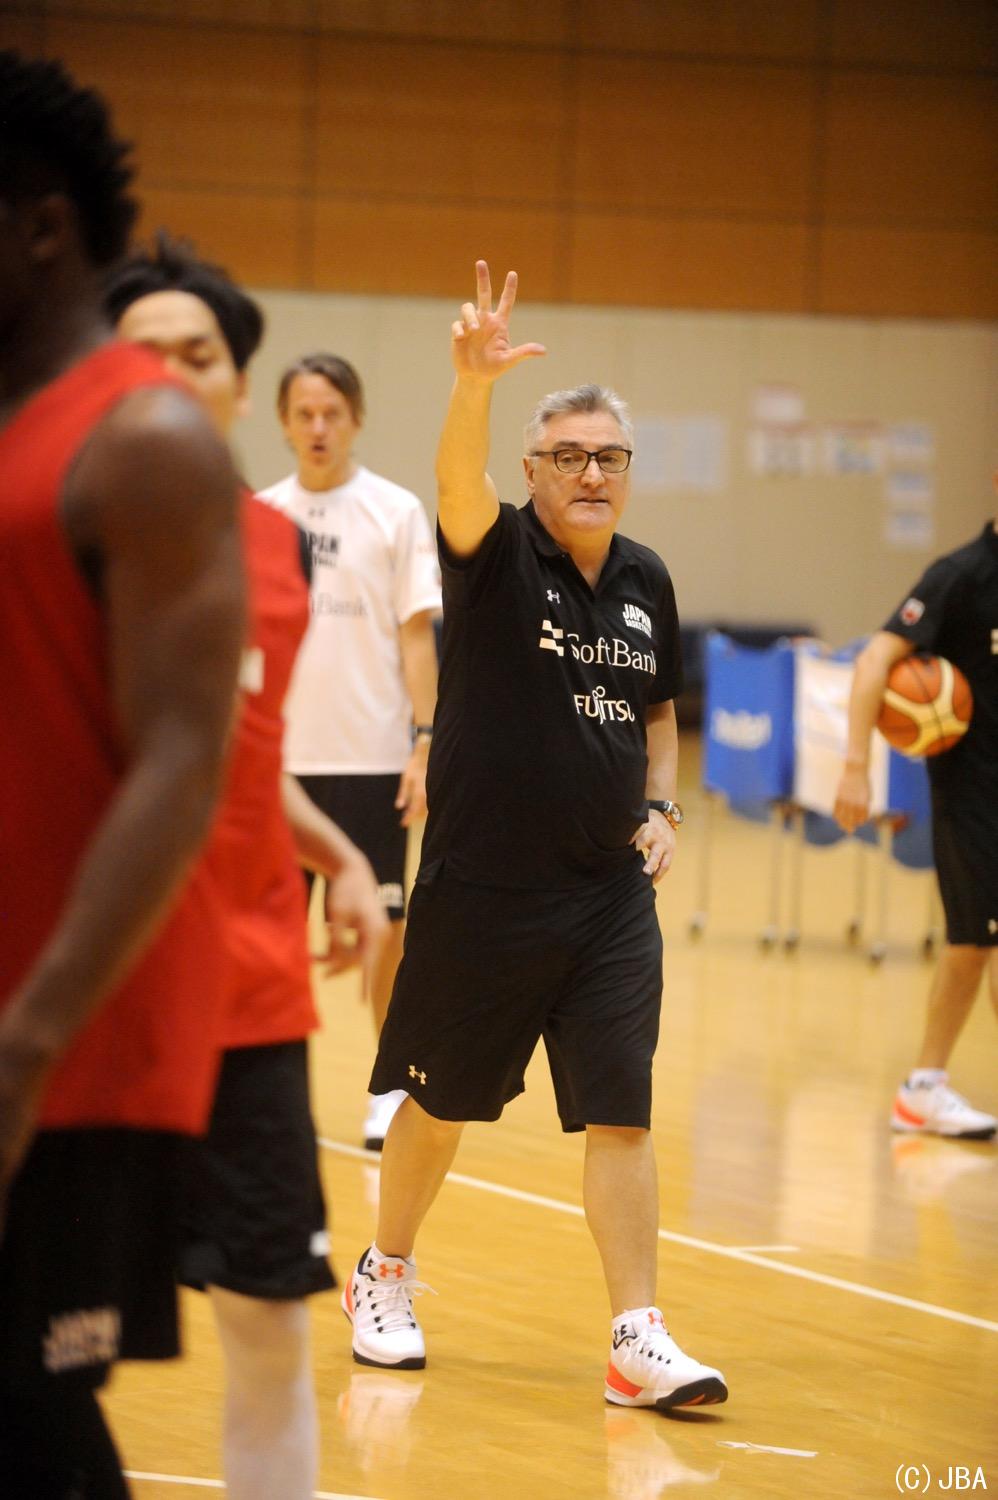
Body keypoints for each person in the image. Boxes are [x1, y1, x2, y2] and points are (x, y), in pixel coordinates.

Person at [341, 261, 728, 1414]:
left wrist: (661, 807)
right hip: (484, 890)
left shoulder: (647, 579)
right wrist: (474, 383)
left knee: (621, 1110)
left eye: (608, 456)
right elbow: (452, 480)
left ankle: (634, 1336)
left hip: (606, 895)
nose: (591, 473)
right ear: (532, 471)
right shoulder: (497, 553)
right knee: (442, 1103)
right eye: (567, 456)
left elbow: (656, 713)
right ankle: (383, 1270)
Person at [104, 234, 388, 1500]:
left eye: (198, 353)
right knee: (55, 1348)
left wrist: (339, 853)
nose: (171, 373)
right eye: (142, 353)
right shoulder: (42, 522)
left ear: (235, 383)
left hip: (247, 990)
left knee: (270, 1324)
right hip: (86, 994)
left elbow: (233, 751)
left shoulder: (273, 546)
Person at [0, 53, 246, 1498]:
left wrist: (25, 1045)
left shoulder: (142, 435)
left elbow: (180, 763)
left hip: (66, 1054)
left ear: (40, 225)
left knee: (31, 1421)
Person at [260, 353, 442, 1149]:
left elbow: (416, 637)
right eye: (304, 413)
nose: (318, 427)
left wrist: (426, 742)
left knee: (385, 932)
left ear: (356, 418)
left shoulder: (395, 511)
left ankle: (388, 1087)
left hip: (371, 758)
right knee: (268, 937)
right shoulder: (261, 516)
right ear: (283, 422)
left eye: (331, 412)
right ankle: (269, 1098)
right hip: (279, 765)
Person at [833, 498, 998, 1141]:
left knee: (977, 947)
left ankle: (923, 1090)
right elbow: (875, 659)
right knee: (973, 945)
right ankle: (922, 1088)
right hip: (974, 792)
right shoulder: (960, 575)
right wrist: (855, 766)